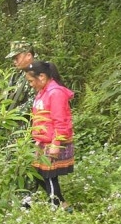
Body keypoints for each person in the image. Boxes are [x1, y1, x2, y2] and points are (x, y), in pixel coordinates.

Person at [25, 60, 75, 211]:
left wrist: (56, 143)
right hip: (43, 141)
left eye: (31, 81)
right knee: (36, 173)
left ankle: (55, 208)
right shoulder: (42, 92)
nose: (31, 85)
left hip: (53, 141)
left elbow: (61, 120)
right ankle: (62, 204)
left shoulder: (56, 93)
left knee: (49, 176)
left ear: (42, 76)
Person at [4, 40, 36, 114]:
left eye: (16, 58)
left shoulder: (39, 74)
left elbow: (35, 103)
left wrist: (12, 114)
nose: (14, 61)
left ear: (28, 56)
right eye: (13, 59)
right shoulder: (18, 73)